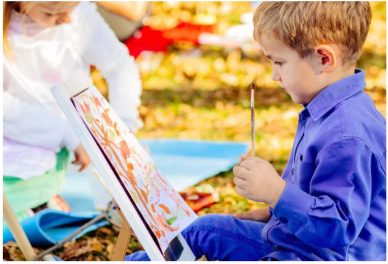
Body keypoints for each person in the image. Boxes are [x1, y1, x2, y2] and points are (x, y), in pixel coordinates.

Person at [125, 2, 386, 261]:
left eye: (279, 62)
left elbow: (338, 228)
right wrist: (275, 212)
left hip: (323, 256)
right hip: (298, 240)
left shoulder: (348, 136)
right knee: (203, 231)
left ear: (324, 58)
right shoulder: (322, 110)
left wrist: (277, 192)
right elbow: (313, 195)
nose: (274, 75)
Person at [3, 1, 143, 226]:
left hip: (61, 149)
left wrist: (123, 126)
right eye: (51, 13)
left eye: (71, 9)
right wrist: (67, 134)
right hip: (19, 141)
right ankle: (39, 202)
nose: (66, 19)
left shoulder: (79, 17)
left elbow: (120, 67)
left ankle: (40, 200)